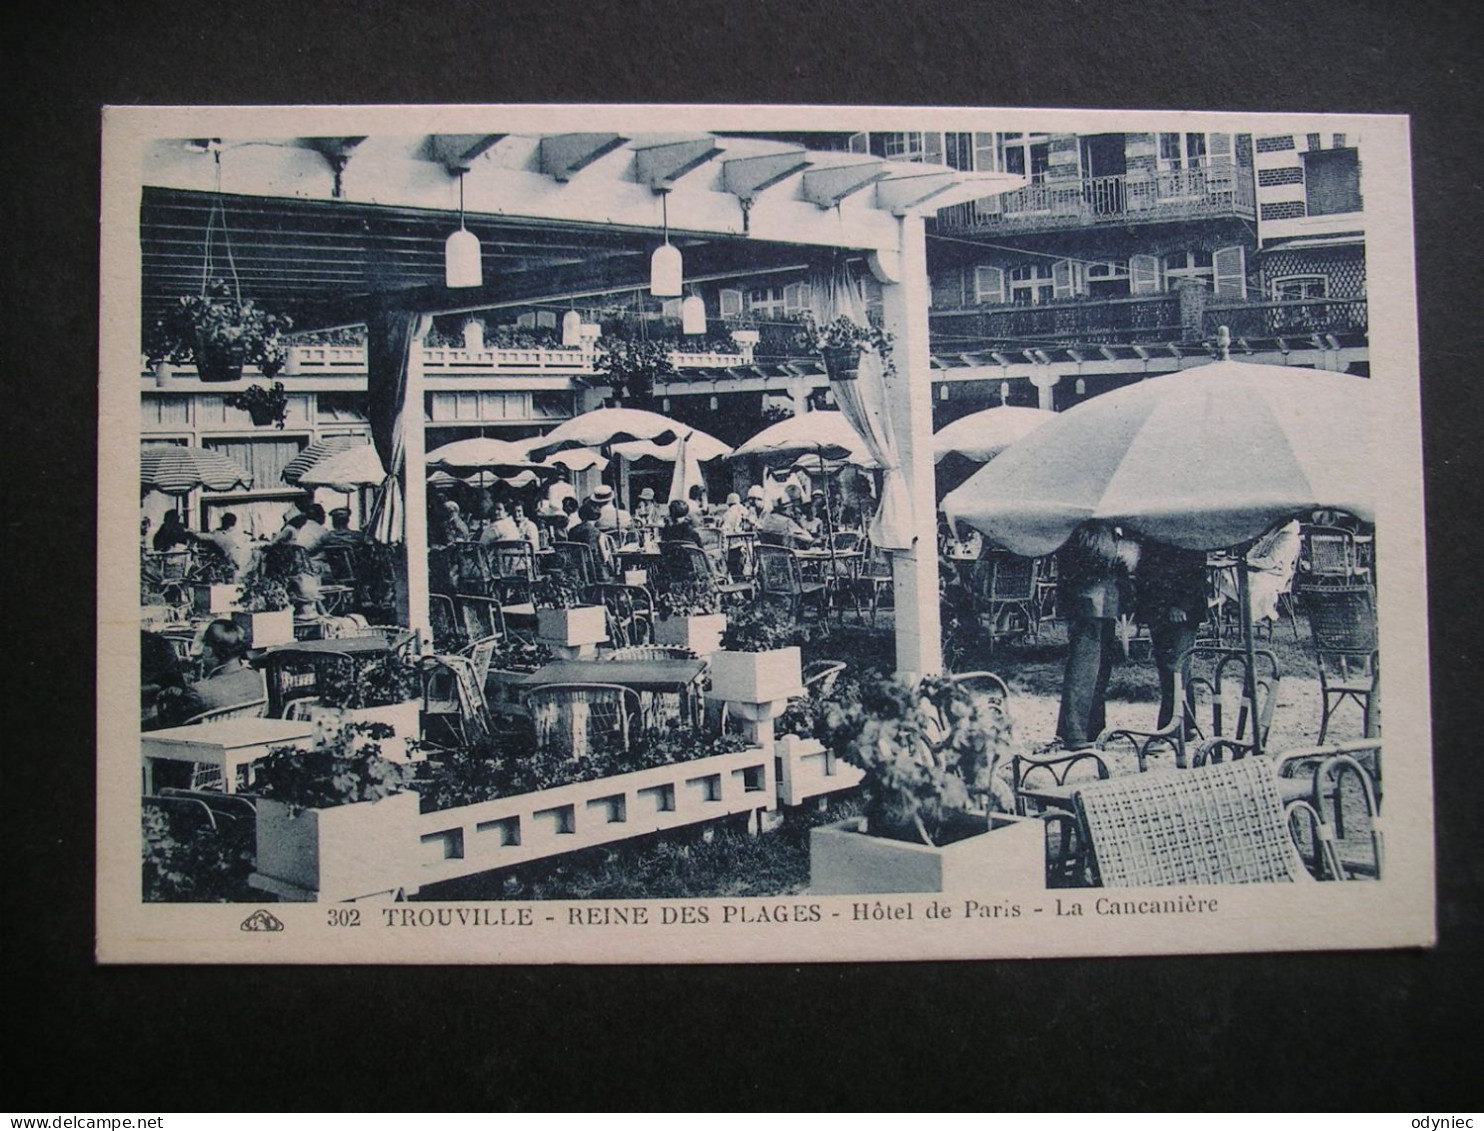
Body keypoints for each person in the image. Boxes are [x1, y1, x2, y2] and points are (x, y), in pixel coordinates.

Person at [1055, 521, 1141, 749]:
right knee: (1085, 667)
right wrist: (1120, 552)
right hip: (1088, 602)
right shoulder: (1088, 524)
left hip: (1103, 603)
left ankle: (1092, 729)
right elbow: (1090, 556)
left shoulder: (1104, 525)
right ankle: (1074, 734)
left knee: (1100, 667)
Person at [1136, 540, 1209, 733]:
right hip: (1158, 606)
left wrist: (1182, 605)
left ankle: (1170, 730)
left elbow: (1196, 569)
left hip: (1181, 609)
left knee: (1175, 668)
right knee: (1173, 668)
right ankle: (1186, 726)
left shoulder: (1186, 528)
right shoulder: (1154, 525)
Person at [198, 511, 255, 580]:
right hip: (246, 565)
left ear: (224, 522)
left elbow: (203, 537)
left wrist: (189, 532)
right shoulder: (242, 534)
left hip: (230, 565)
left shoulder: (219, 534)